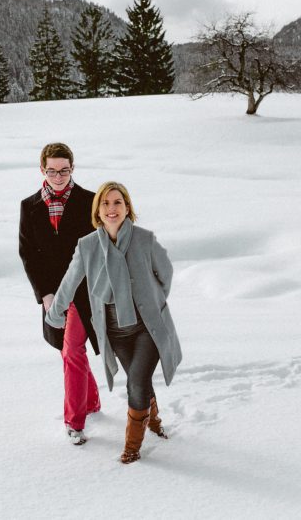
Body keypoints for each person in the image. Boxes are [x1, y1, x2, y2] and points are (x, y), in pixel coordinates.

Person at [45, 181, 182, 464]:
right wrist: (55, 313)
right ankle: (154, 419)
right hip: (115, 332)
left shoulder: (145, 240)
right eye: (105, 203)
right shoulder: (87, 246)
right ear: (97, 210)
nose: (111, 209)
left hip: (147, 327)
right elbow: (70, 282)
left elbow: (165, 274)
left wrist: (153, 302)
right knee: (138, 379)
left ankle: (132, 448)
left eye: (118, 202)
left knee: (136, 382)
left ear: (127, 207)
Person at [19, 143, 100, 446]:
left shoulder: (91, 201)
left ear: (72, 168)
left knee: (72, 350)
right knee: (68, 351)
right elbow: (28, 253)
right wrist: (45, 294)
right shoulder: (29, 206)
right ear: (42, 170)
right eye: (51, 171)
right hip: (53, 294)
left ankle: (74, 422)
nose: (58, 177)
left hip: (84, 291)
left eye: (64, 170)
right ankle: (91, 401)